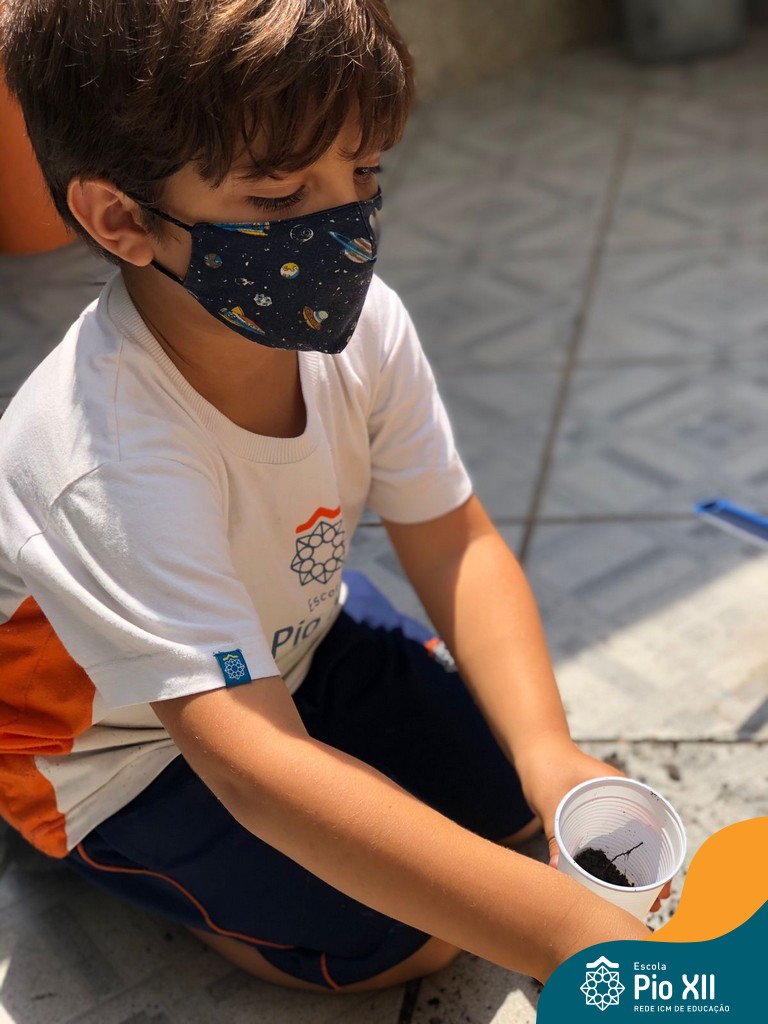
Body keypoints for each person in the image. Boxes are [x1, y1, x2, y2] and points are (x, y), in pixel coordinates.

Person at [0, 0, 660, 995]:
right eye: (278, 196)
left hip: (292, 643)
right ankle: (90, 850)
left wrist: (550, 751)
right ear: (121, 218)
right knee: (403, 941)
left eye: (365, 174)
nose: (344, 232)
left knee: (514, 803)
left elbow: (455, 540)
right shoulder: (104, 462)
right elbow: (253, 768)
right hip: (121, 751)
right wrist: (572, 936)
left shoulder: (362, 328)